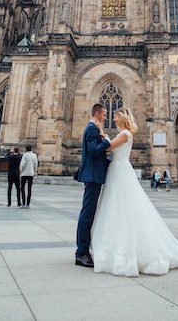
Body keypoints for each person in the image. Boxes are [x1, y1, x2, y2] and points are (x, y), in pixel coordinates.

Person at [91, 107, 178, 276]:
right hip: (118, 172)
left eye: (116, 116)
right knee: (117, 207)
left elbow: (108, 147)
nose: (113, 119)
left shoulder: (125, 134)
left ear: (123, 118)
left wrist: (102, 131)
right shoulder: (124, 134)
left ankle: (127, 252)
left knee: (123, 207)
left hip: (120, 172)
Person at [75, 103, 111, 268]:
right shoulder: (91, 128)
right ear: (97, 114)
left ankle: (84, 250)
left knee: (89, 213)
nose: (105, 118)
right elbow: (93, 150)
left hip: (95, 175)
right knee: (87, 214)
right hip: (92, 175)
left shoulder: (95, 128)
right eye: (104, 115)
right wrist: (107, 143)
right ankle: (81, 252)